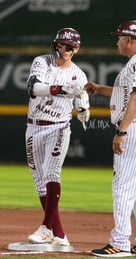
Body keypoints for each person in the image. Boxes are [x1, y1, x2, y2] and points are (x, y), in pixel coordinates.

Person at [85, 20, 136, 257]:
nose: (117, 42)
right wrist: (99, 89)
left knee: (123, 187)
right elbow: (127, 92)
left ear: (129, 40)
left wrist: (122, 131)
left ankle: (119, 243)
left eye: (119, 38)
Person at [25, 27, 90, 247]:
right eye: (61, 45)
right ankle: (59, 234)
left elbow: (81, 98)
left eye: (70, 46)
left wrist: (83, 109)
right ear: (55, 45)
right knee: (39, 181)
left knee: (52, 172)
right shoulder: (42, 62)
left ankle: (45, 228)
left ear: (76, 49)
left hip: (59, 127)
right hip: (33, 127)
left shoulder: (79, 74)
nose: (64, 49)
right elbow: (33, 88)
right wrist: (62, 88)